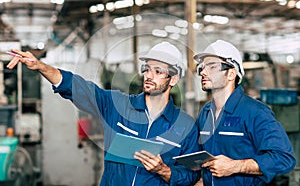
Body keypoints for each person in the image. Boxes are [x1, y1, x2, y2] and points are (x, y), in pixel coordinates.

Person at [7, 42, 200, 186]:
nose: (149, 76)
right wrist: (41, 66)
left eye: (158, 71)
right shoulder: (118, 105)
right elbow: (76, 87)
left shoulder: (186, 126)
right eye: (147, 69)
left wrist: (164, 171)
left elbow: (191, 175)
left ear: (173, 79)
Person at [193, 40, 296, 186]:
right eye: (202, 67)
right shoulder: (205, 112)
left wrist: (234, 166)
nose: (203, 72)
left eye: (212, 67)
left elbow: (284, 158)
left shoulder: (255, 112)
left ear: (231, 74)